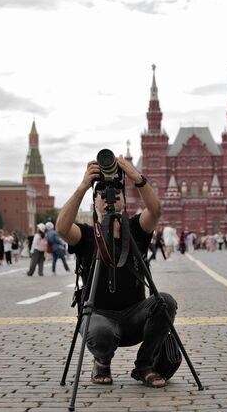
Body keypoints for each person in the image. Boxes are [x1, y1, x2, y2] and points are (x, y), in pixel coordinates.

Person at [56, 156, 177, 388]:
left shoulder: (136, 229)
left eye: (116, 194)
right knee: (101, 331)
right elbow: (61, 227)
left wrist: (136, 177)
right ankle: (102, 362)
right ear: (95, 203)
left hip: (135, 318)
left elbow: (156, 210)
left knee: (166, 302)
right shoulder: (87, 235)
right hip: (99, 318)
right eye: (101, 195)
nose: (109, 197)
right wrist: (83, 186)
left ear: (124, 200)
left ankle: (145, 365)